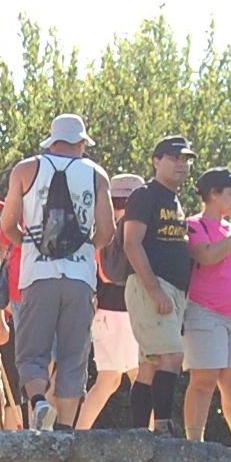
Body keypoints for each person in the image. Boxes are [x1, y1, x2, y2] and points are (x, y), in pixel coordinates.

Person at [0, 114, 117, 431]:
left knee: (32, 351)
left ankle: (39, 403)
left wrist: (32, 243)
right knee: (73, 355)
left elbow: (7, 225)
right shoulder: (97, 175)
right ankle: (65, 428)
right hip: (80, 277)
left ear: (51, 141)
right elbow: (107, 231)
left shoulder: (26, 169)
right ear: (81, 143)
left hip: (38, 275)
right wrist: (84, 249)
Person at [123, 137, 197, 436]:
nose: (181, 163)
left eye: (186, 158)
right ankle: (163, 426)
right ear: (156, 160)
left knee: (150, 364)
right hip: (151, 287)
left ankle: (138, 433)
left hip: (172, 289)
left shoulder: (175, 200)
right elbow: (131, 243)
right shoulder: (145, 195)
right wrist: (154, 289)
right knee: (172, 356)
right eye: (173, 157)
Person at [182, 168, 231, 444]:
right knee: (204, 379)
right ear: (213, 194)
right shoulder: (194, 224)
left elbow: (230, 266)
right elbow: (207, 256)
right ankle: (194, 442)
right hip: (206, 311)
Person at [79, 173, 149, 430]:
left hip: (105, 311)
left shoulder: (102, 226)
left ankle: (78, 433)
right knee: (140, 375)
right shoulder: (134, 228)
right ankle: (151, 434)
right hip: (125, 310)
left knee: (109, 380)